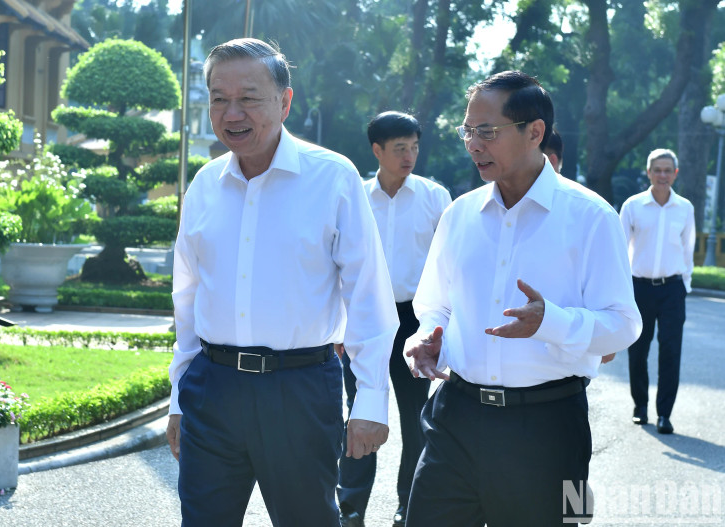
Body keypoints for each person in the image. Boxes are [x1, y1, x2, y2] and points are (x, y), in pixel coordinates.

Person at [165, 38, 399, 527]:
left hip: (299, 388)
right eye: (218, 98)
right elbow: (187, 299)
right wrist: (178, 400)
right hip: (212, 388)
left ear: (285, 101)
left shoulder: (332, 178)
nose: (232, 113)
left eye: (249, 97)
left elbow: (368, 296)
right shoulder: (205, 185)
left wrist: (371, 399)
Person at [402, 70, 642, 526]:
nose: (473, 144)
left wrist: (550, 321)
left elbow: (624, 324)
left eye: (487, 132)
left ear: (535, 132)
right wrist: (427, 336)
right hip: (455, 419)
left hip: (551, 427)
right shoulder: (460, 214)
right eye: (468, 130)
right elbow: (433, 303)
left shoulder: (592, 217)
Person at [337, 111, 451, 527]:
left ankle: (410, 504)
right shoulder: (355, 197)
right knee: (359, 410)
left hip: (415, 319)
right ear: (377, 150)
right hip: (363, 317)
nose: (409, 156)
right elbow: (335, 263)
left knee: (416, 416)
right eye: (400, 148)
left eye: (415, 147)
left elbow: (451, 266)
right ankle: (350, 507)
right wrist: (338, 325)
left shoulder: (436, 198)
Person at [619, 149, 695, 435]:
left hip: (673, 289)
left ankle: (665, 414)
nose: (662, 175)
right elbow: (619, 249)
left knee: (671, 352)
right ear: (648, 172)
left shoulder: (685, 208)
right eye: (657, 170)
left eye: (668, 170)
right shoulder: (633, 206)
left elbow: (688, 249)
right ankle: (640, 406)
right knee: (638, 350)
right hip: (639, 288)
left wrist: (685, 285)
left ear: (675, 174)